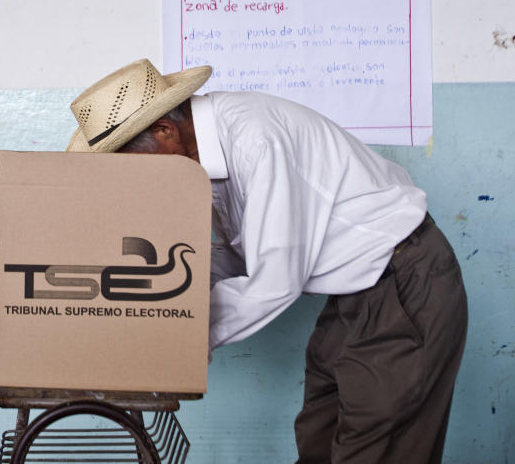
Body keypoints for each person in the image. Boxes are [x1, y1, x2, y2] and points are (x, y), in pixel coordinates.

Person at [66, 58, 468, 464]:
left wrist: (184, 337)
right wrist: (163, 293)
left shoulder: (255, 140)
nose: (142, 186)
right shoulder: (205, 157)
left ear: (165, 130)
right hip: (356, 293)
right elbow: (242, 253)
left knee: (374, 447)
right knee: (319, 436)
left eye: (139, 169)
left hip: (401, 284)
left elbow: (274, 279)